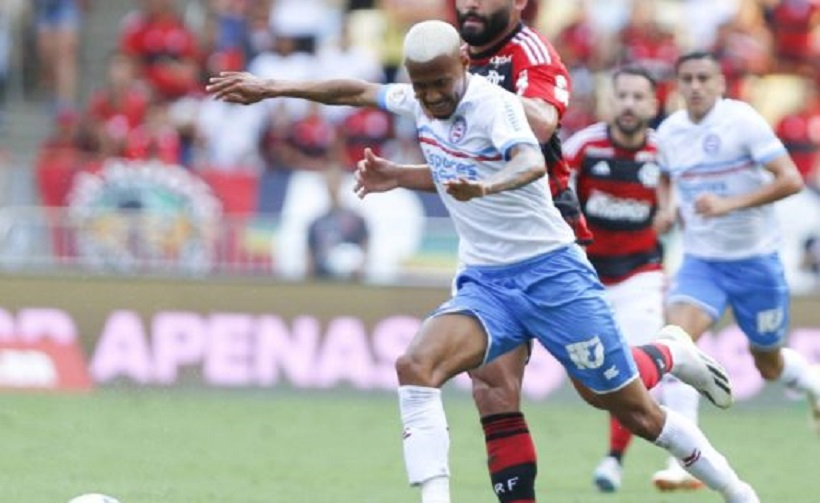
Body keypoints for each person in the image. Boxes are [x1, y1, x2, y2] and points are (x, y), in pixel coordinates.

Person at [208, 20, 760, 503]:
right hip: (487, 285)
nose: (432, 98)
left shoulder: (495, 106)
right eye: (421, 87)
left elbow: (527, 162)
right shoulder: (418, 97)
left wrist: (485, 185)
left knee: (626, 407)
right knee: (417, 366)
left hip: (551, 273)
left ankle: (727, 470)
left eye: (441, 84)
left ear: (464, 65)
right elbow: (354, 91)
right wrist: (271, 86)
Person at [654, 50, 820, 488]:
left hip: (755, 263)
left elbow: (790, 179)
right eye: (686, 78)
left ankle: (811, 380)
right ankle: (681, 463)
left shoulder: (742, 122)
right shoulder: (670, 131)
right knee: (677, 347)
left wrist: (728, 205)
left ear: (721, 84)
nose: (694, 86)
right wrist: (667, 209)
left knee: (766, 362)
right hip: (701, 262)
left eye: (703, 78)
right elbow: (668, 175)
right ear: (677, 84)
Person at [454, 2, 596, 499]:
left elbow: (537, 125)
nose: (468, 3)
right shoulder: (453, 55)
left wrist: (472, 91)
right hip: (488, 239)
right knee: (491, 385)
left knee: (601, 390)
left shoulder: (528, 51)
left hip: (545, 232)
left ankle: (667, 355)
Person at [563, 66, 703, 493]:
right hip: (588, 278)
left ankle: (619, 459)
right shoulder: (584, 146)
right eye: (621, 95)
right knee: (603, 372)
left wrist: (671, 213)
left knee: (633, 365)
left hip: (641, 274)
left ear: (653, 104)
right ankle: (622, 456)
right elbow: (554, 192)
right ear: (611, 100)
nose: (629, 104)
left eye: (638, 97)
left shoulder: (665, 152)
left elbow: (686, 197)